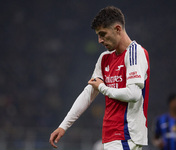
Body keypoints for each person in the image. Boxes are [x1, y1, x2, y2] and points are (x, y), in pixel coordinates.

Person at [49, 6, 150, 150]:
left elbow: (133, 94)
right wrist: (63, 126)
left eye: (103, 34)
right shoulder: (104, 58)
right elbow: (88, 93)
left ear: (117, 29)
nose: (100, 40)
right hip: (110, 136)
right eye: (98, 35)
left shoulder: (135, 53)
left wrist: (102, 88)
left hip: (127, 136)